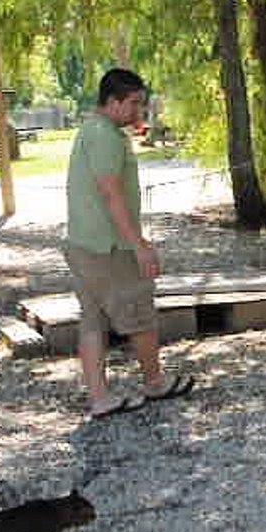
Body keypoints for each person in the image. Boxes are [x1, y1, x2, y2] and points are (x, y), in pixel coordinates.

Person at [64, 68, 194, 419]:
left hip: (83, 244)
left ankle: (100, 398)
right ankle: (155, 382)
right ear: (113, 101)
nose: (139, 110)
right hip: (110, 248)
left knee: (92, 320)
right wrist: (138, 245)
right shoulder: (105, 136)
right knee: (139, 311)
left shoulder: (92, 130)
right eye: (134, 103)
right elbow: (110, 193)